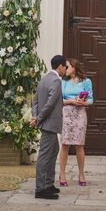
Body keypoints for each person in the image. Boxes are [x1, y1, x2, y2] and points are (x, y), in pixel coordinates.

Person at [30, 55, 67, 200]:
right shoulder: (57, 81)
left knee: (53, 152)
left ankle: (49, 184)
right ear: (60, 67)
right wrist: (38, 119)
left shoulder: (44, 79)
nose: (66, 70)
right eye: (66, 67)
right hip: (49, 124)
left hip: (46, 123)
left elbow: (35, 101)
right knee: (45, 156)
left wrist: (35, 117)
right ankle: (40, 189)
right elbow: (50, 104)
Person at [59, 58, 93, 187]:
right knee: (65, 144)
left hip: (80, 114)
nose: (65, 69)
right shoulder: (63, 82)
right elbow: (60, 99)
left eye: (67, 67)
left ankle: (81, 173)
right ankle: (62, 173)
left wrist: (82, 102)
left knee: (79, 145)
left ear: (74, 67)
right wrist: (71, 101)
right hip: (67, 114)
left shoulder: (86, 81)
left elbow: (91, 99)